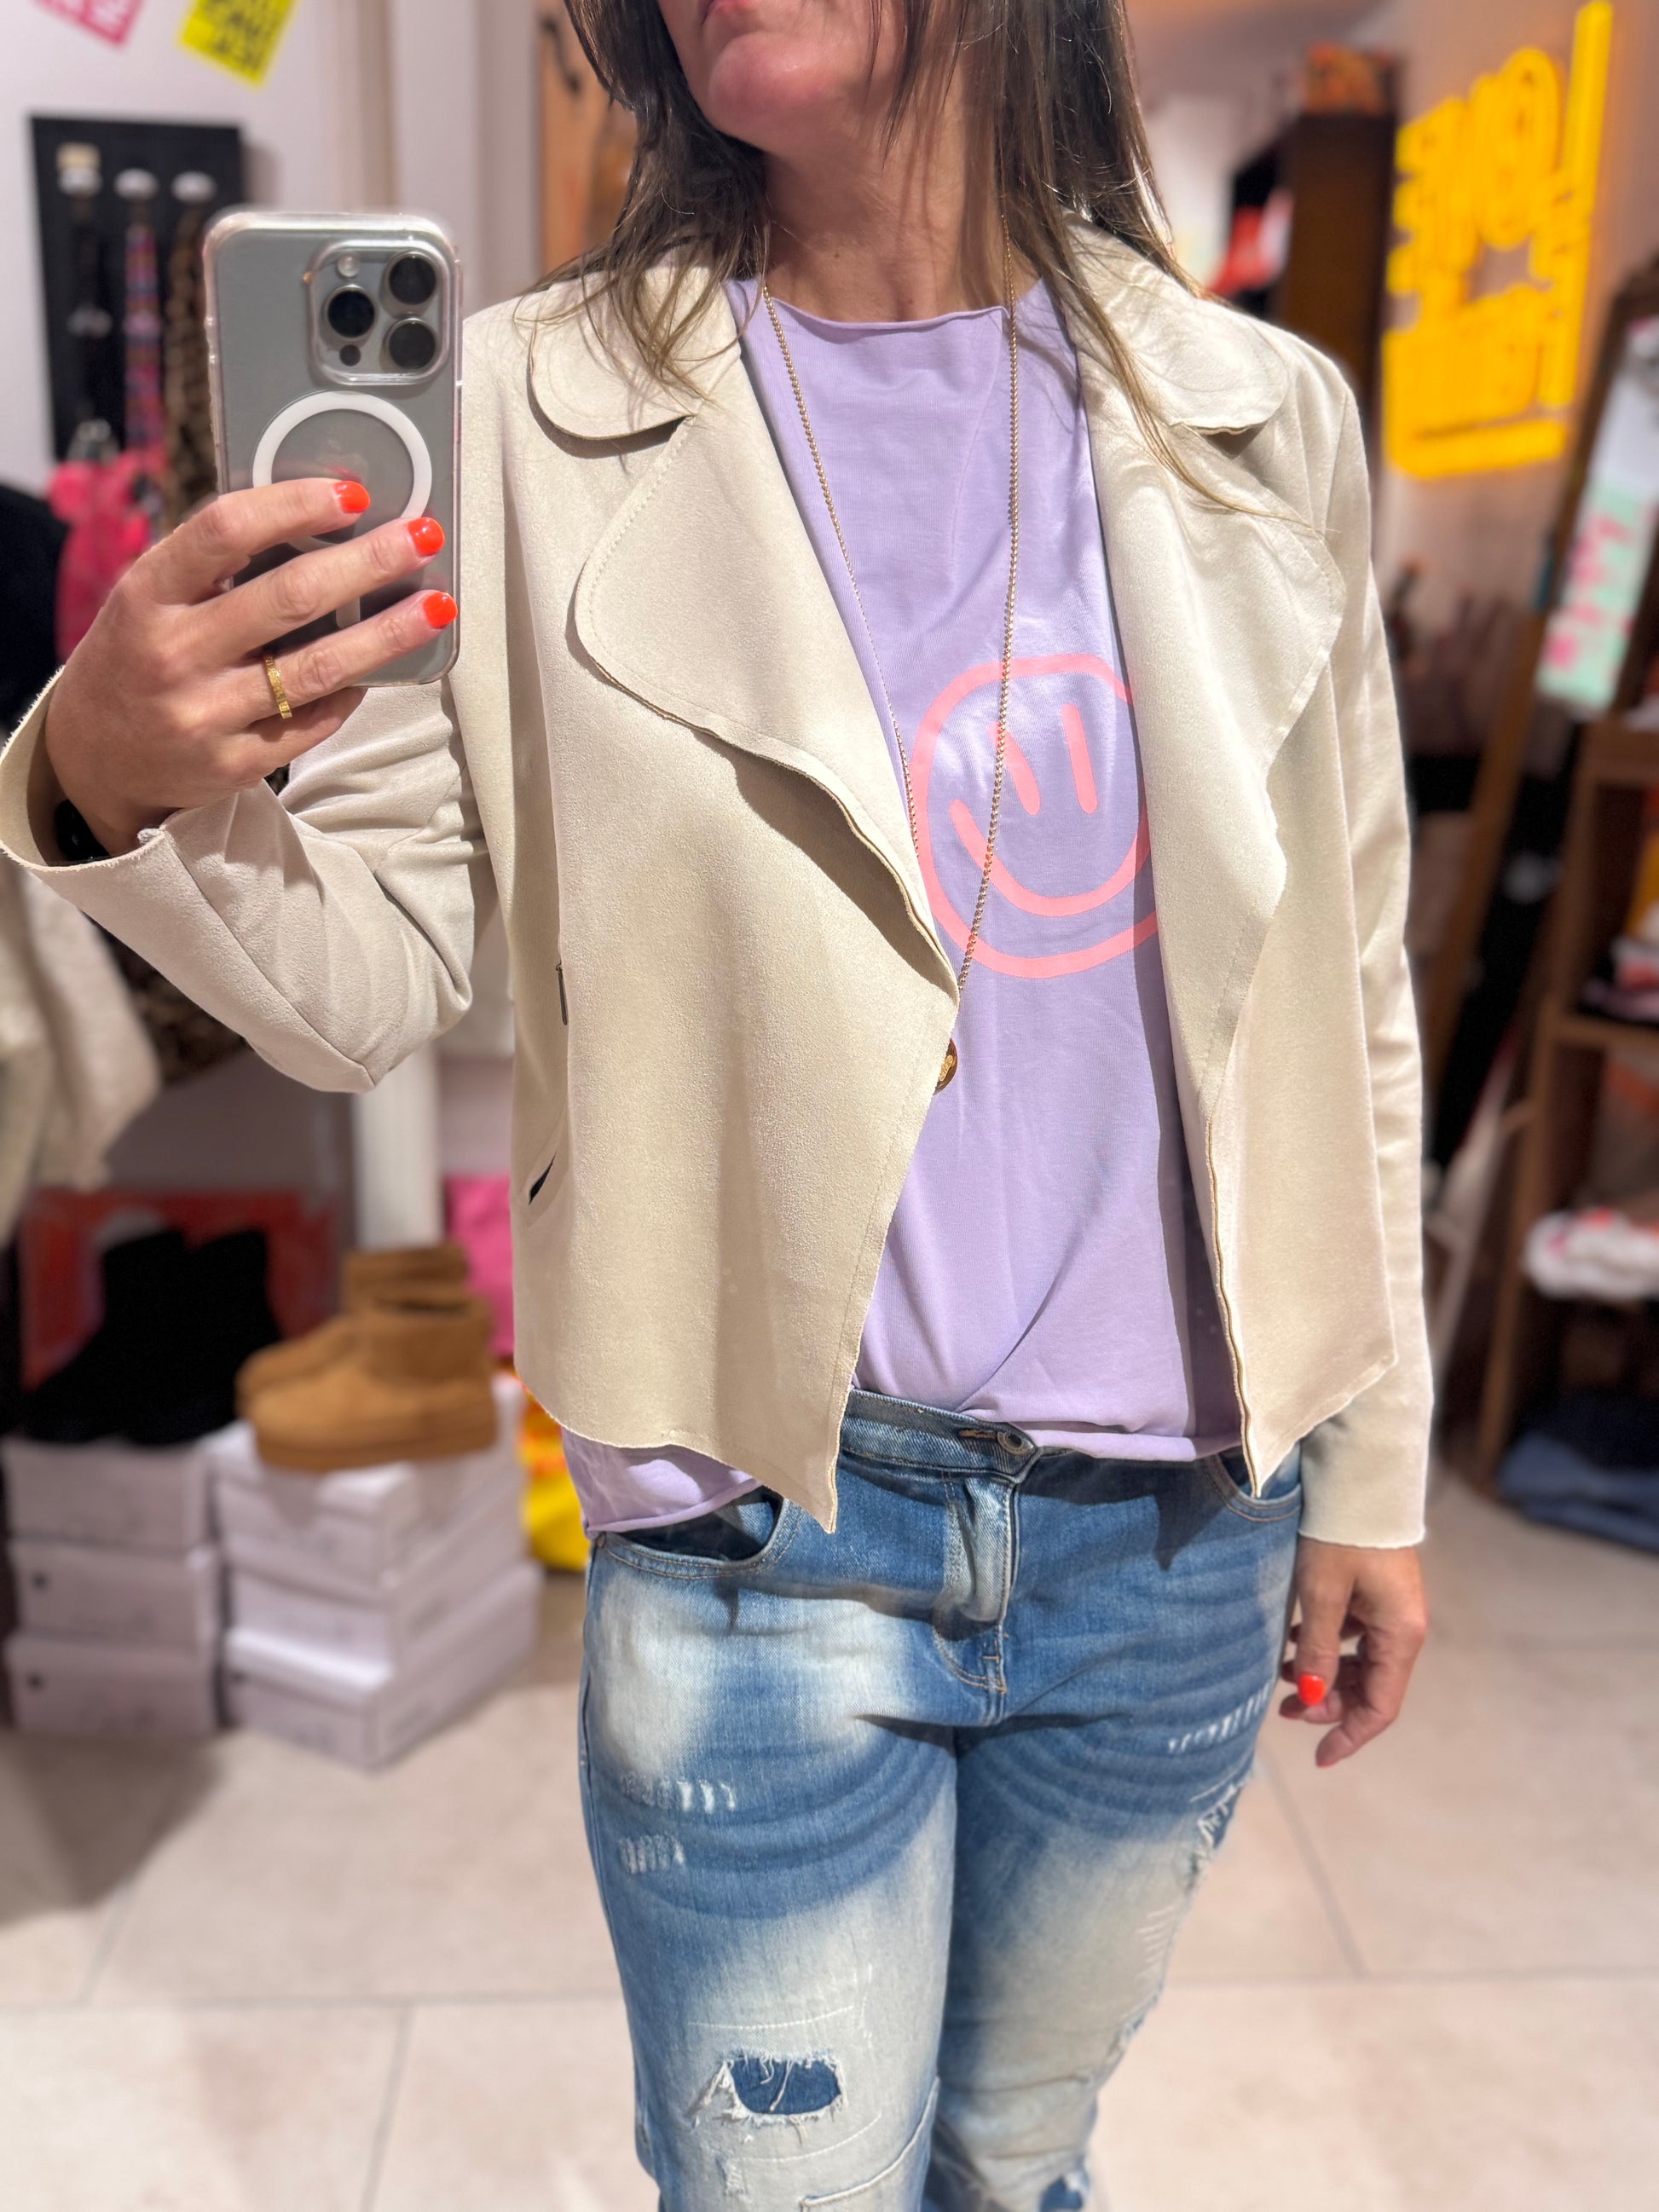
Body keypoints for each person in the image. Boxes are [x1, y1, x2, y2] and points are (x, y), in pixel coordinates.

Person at [3, 0, 1431, 2203]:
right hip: (763, 1530)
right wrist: (111, 777)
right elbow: (368, 984)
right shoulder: (521, 413)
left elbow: (1348, 981)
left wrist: (1375, 1473)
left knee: (1017, 2157)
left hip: (1175, 1530)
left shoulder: (1261, 419)